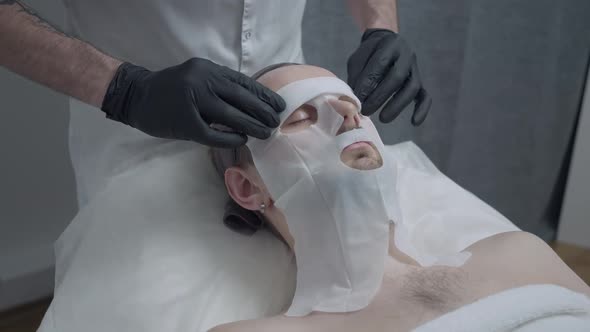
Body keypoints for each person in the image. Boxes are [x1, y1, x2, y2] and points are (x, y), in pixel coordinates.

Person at [209, 63, 590, 331]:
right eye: (302, 117)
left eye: (351, 104)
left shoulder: (521, 252)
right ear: (248, 189)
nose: (347, 116)